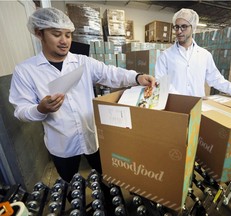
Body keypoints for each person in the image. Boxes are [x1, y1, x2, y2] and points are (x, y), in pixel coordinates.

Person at [9, 7, 155, 184]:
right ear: (40, 34)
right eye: (57, 34)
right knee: (70, 185)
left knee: (107, 179)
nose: (64, 41)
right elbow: (21, 111)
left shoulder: (83, 62)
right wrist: (40, 109)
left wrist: (137, 77)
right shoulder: (26, 71)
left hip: (91, 137)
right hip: (61, 145)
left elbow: (111, 73)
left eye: (68, 35)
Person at [155, 8, 231, 102]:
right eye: (176, 27)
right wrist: (183, 100)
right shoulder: (165, 56)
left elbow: (216, 79)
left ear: (193, 27)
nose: (179, 31)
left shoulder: (204, 55)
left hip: (198, 107)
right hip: (175, 106)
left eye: (184, 27)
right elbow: (161, 83)